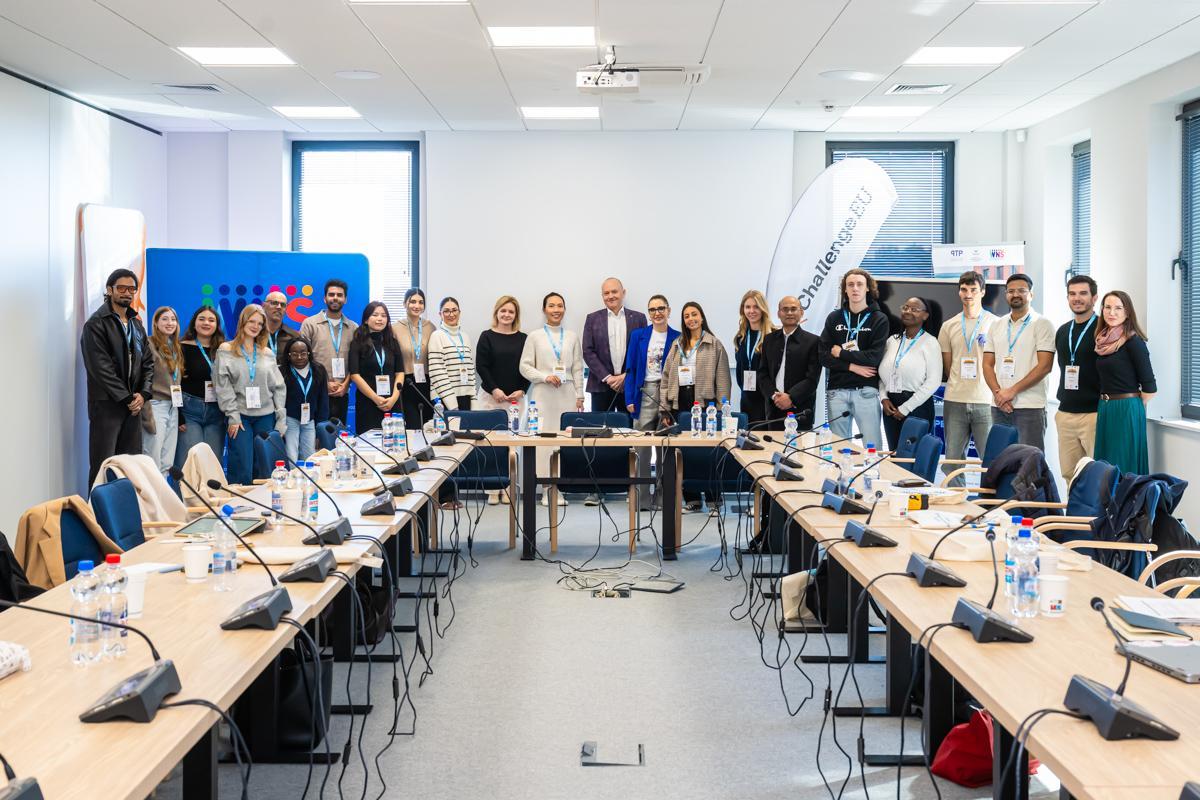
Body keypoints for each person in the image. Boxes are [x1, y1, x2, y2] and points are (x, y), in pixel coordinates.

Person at [82, 269, 154, 486]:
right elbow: (100, 369)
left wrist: (143, 394)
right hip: (107, 404)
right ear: (110, 289)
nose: (127, 292)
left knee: (131, 466)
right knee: (103, 466)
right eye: (121, 288)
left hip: (133, 406)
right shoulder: (96, 323)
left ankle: (127, 507)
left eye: (132, 289)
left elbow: (148, 363)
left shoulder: (136, 323)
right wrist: (127, 398)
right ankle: (97, 508)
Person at [661, 302, 732, 513]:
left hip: (705, 403)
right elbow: (666, 378)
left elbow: (723, 379)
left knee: (709, 453)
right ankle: (692, 499)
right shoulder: (677, 344)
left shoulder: (714, 344)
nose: (690, 319)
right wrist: (665, 408)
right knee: (686, 453)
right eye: (686, 316)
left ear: (701, 318)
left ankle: (713, 500)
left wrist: (721, 409)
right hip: (680, 402)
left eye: (694, 314)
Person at [520, 292, 585, 506]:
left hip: (567, 394)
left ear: (564, 309)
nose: (556, 310)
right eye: (551, 306)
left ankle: (560, 487)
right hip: (543, 395)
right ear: (544, 309)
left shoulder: (572, 336)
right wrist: (545, 376)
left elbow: (577, 368)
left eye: (560, 306)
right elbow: (524, 366)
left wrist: (580, 395)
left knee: (564, 440)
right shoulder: (535, 336)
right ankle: (547, 488)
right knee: (544, 441)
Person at [213, 304, 287, 486]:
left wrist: (280, 419)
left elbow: (278, 387)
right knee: (242, 467)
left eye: (260, 323)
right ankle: (240, 502)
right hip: (240, 417)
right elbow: (223, 386)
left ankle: (264, 502)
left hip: (266, 416)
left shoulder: (267, 353)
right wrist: (233, 415)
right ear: (243, 322)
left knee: (264, 468)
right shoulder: (226, 349)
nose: (255, 326)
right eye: (252, 321)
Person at [982, 274, 1055, 450]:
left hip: (1030, 406)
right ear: (1006, 294)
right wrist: (999, 394)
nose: (1015, 294)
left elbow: (1045, 366)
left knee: (1029, 461)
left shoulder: (1042, 324)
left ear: (1031, 294)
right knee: (1000, 459)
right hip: (999, 405)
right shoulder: (996, 325)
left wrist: (1011, 392)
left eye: (1021, 290)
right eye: (1011, 291)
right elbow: (987, 364)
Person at [818, 268, 889, 448]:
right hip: (837, 391)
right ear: (845, 289)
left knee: (872, 448)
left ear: (867, 288)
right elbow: (824, 356)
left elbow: (873, 357)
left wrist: (841, 353)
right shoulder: (834, 318)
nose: (855, 288)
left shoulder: (879, 318)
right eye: (850, 285)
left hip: (866, 391)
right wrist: (852, 367)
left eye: (859, 284)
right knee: (838, 448)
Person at [938, 270, 996, 486]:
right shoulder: (948, 326)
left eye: (973, 289)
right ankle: (956, 500)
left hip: (986, 400)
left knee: (990, 459)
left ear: (983, 292)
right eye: (964, 289)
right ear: (959, 292)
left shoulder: (996, 323)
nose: (968, 294)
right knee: (953, 460)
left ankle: (987, 501)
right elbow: (948, 365)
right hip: (955, 399)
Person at [1094, 291, 1156, 475]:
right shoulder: (1102, 341)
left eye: (1118, 308)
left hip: (1126, 408)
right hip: (1105, 407)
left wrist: (1130, 404)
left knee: (1123, 465)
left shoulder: (1134, 342)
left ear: (1127, 312)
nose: (1112, 312)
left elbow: (1150, 388)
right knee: (1105, 466)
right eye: (1107, 307)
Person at [475, 295, 528, 504]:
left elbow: (528, 367)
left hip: (515, 400)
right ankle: (492, 489)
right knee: (490, 443)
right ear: (496, 313)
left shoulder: (523, 338)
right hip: (490, 398)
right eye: (503, 310)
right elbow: (482, 366)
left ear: (516, 315)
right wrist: (494, 389)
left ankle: (508, 487)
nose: (506, 315)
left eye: (511, 312)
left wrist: (522, 390)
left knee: (512, 444)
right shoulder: (486, 336)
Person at [878, 297, 942, 451]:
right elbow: (882, 375)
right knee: (894, 454)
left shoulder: (930, 342)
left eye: (914, 309)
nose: (908, 311)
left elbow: (933, 381)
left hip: (917, 406)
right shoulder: (892, 340)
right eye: (905, 307)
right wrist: (884, 398)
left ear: (925, 316)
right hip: (891, 406)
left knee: (914, 456)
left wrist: (906, 408)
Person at [1054, 275, 1101, 482]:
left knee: (1097, 475)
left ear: (1094, 298)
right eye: (1072, 294)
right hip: (1065, 413)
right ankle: (1071, 505)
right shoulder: (1063, 331)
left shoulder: (1103, 329)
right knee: (1069, 475)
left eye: (1083, 293)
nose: (1077, 298)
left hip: (1093, 414)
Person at [582, 277, 647, 414]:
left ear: (623, 293)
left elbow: (642, 352)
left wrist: (626, 376)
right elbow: (588, 351)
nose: (610, 296)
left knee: (629, 426)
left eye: (614, 291)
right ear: (602, 296)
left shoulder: (639, 318)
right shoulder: (592, 319)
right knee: (600, 426)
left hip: (629, 385)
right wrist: (608, 378)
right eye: (606, 293)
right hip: (601, 385)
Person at [757, 295, 821, 430]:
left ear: (801, 312)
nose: (789, 313)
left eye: (793, 309)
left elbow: (812, 379)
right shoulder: (769, 340)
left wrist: (791, 397)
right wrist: (775, 396)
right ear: (779, 313)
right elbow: (763, 374)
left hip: (801, 410)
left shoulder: (813, 341)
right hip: (774, 409)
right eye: (785, 309)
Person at [175, 306, 227, 469]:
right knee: (189, 464)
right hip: (189, 411)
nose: (206, 323)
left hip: (217, 412)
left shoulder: (224, 349)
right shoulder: (181, 347)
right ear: (194, 322)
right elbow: (174, 383)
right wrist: (178, 414)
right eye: (202, 319)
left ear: (217, 325)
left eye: (211, 320)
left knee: (213, 465)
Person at [300, 279, 356, 425]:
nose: (335, 298)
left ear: (345, 299)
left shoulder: (353, 328)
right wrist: (324, 383)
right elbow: (303, 360)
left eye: (339, 295)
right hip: (316, 391)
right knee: (317, 433)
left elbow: (356, 362)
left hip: (342, 392)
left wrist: (346, 385)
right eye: (331, 294)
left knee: (338, 433)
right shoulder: (310, 324)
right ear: (325, 298)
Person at [625, 295, 680, 431]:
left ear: (668, 311)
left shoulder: (679, 337)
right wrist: (629, 398)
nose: (657, 313)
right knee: (641, 436)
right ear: (649, 314)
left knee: (667, 436)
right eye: (652, 310)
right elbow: (630, 368)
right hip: (645, 391)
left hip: (669, 393)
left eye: (661, 308)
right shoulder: (637, 335)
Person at [349, 301, 404, 437]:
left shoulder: (392, 342)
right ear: (366, 319)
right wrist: (375, 398)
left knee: (395, 441)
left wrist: (394, 398)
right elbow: (355, 374)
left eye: (383, 316)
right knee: (369, 444)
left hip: (393, 402)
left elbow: (400, 373)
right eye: (375, 315)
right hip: (368, 402)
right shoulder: (358, 342)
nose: (380, 319)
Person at [142, 307, 183, 472]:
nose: (169, 323)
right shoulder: (148, 343)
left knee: (167, 462)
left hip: (173, 406)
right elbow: (142, 375)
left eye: (173, 319)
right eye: (165, 319)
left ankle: (163, 489)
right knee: (152, 458)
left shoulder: (175, 347)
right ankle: (150, 490)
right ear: (156, 323)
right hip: (156, 405)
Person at [282, 337, 330, 463]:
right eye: (294, 354)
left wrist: (321, 425)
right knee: (291, 454)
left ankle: (308, 475)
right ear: (288, 355)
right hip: (290, 419)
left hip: (310, 419)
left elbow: (323, 399)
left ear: (309, 353)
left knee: (309, 455)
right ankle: (294, 475)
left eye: (303, 353)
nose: (299, 357)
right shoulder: (283, 371)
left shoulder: (318, 370)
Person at [733, 290, 775, 427]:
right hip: (747, 398)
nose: (751, 311)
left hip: (768, 400)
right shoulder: (740, 338)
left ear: (763, 309)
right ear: (743, 310)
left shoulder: (774, 336)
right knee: (749, 436)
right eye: (748, 307)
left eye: (756, 307)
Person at [395, 288, 435, 429]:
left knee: (429, 428)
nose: (417, 306)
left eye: (420, 302)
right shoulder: (395, 328)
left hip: (427, 383)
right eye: (412, 301)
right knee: (413, 427)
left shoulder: (430, 327)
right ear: (404, 303)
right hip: (406, 383)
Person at [428, 297, 476, 411]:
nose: (451, 314)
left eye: (454, 310)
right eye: (446, 311)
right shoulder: (437, 336)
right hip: (444, 399)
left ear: (459, 312)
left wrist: (474, 400)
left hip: (465, 396)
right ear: (440, 314)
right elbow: (437, 372)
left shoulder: (465, 336)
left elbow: (470, 370)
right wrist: (453, 406)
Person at [262, 290, 298, 368]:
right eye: (274, 303)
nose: (279, 307)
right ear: (264, 306)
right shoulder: (254, 333)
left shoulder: (294, 337)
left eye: (283, 305)